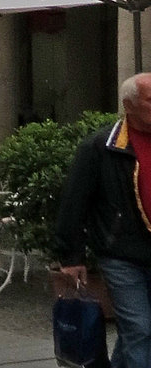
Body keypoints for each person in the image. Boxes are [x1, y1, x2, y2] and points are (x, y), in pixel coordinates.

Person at [55, 70, 151, 366]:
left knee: (136, 334)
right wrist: (71, 256)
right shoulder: (100, 147)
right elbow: (74, 203)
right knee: (141, 329)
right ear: (129, 104)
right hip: (122, 254)